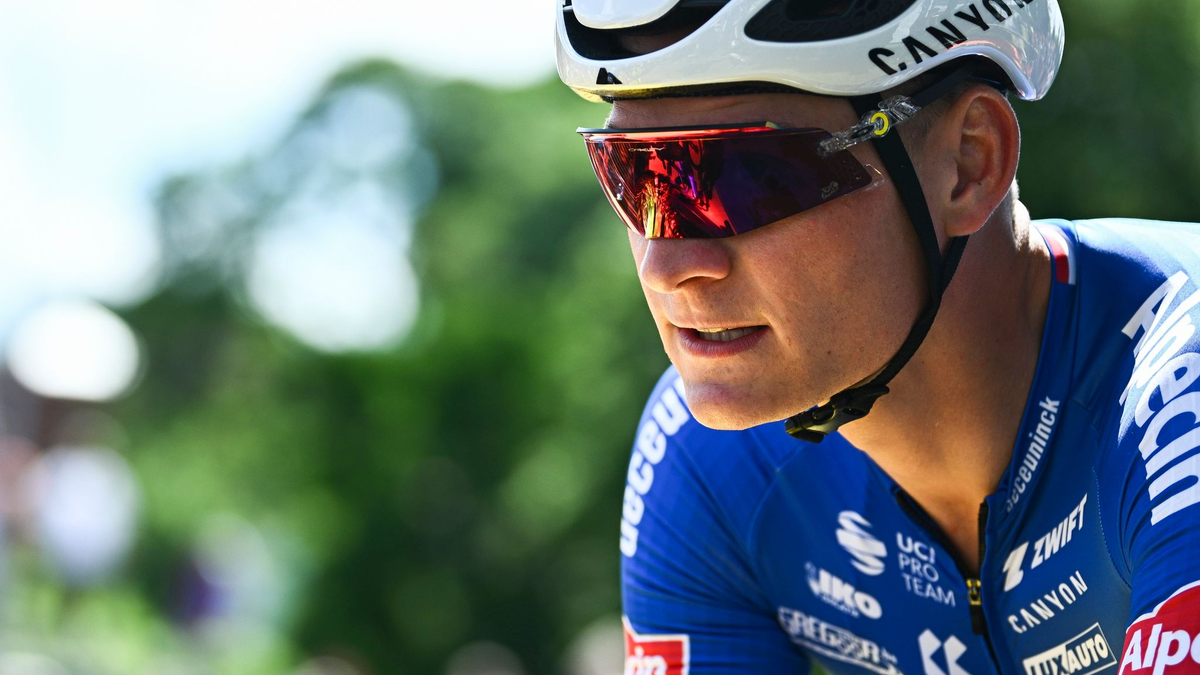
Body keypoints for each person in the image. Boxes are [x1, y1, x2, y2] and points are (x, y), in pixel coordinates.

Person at [556, 1, 1200, 674]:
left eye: (748, 178)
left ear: (969, 163)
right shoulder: (707, 465)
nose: (667, 264)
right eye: (633, 179)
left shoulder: (1179, 396)